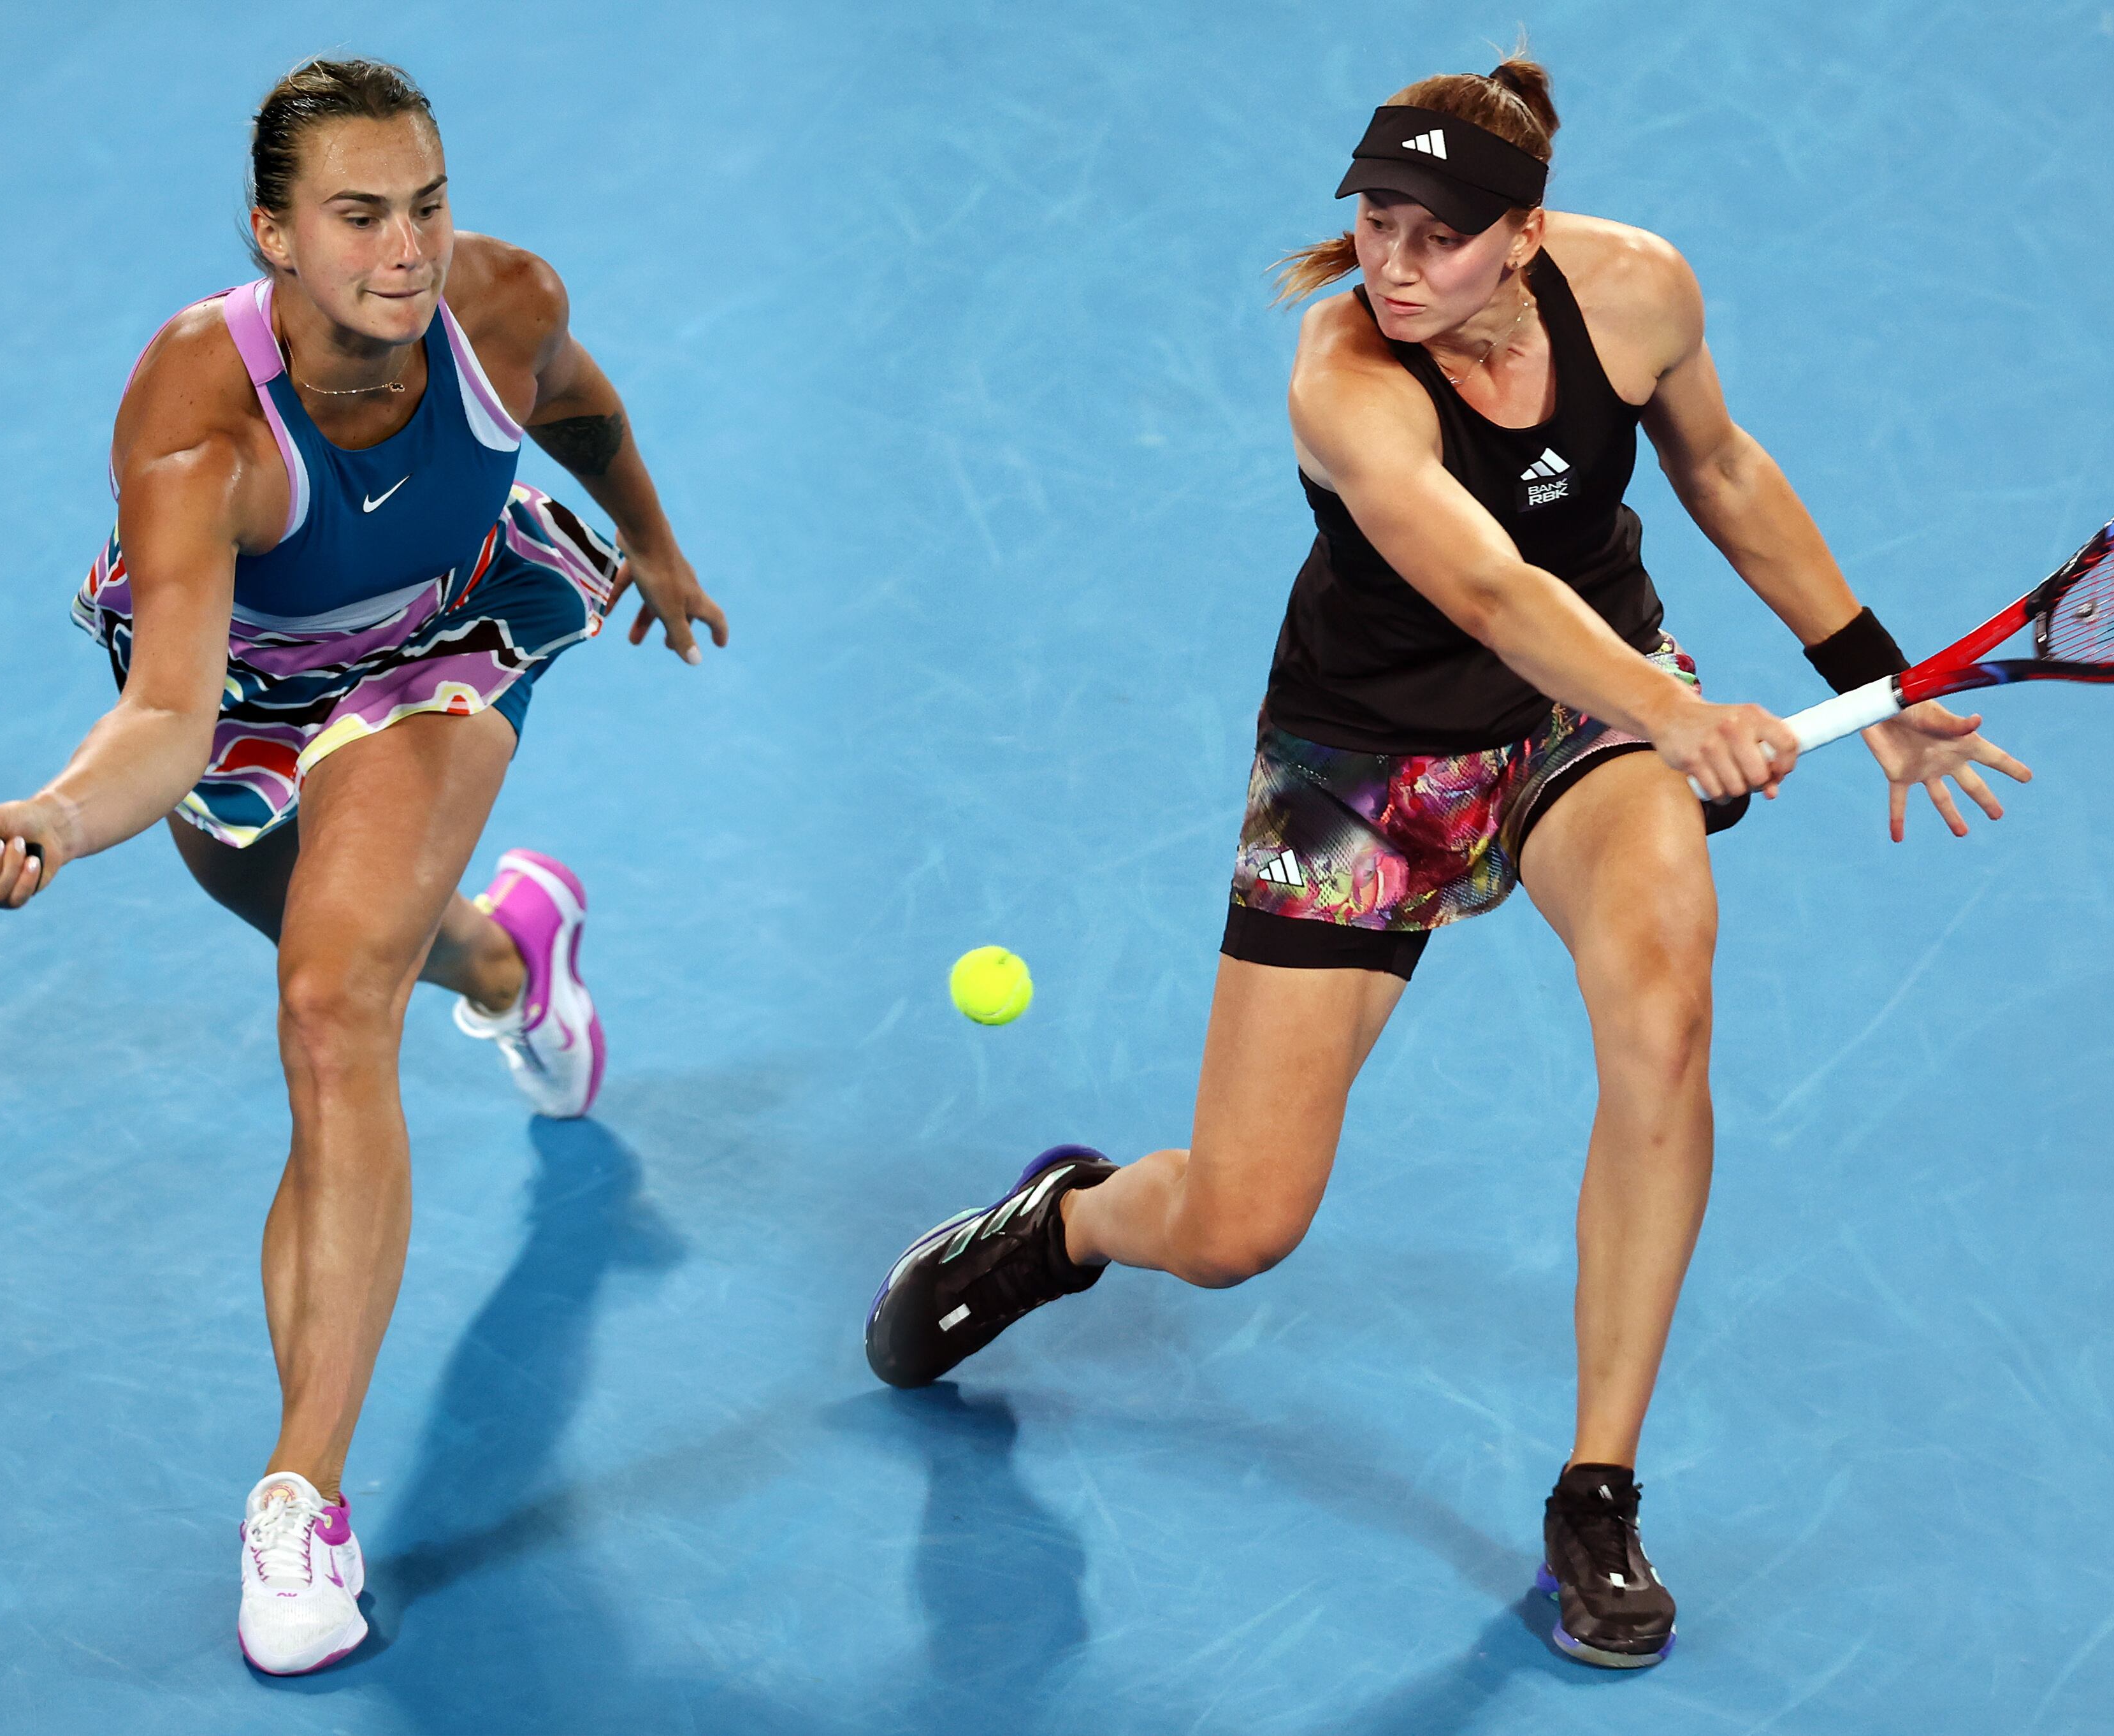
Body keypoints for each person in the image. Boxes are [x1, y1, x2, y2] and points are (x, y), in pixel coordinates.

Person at [862, 53, 2027, 1670]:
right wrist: (1680, 715)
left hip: (1582, 724)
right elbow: (1488, 594)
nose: (1394, 268)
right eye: (1376, 225)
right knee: (1239, 1225)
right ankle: (1059, 1225)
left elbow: (1724, 471)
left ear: (1528, 233)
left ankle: (1597, 1491)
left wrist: (1874, 683)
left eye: (1437, 236)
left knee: (1665, 1013)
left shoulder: (1639, 291)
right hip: (1368, 767)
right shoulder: (1343, 378)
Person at [0, 57, 726, 1674]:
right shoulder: (195, 415)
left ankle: (302, 1497)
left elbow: (589, 413)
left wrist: (656, 540)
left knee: (331, 1006)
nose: (406, 249)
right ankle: (508, 957)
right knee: (333, 930)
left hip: (447, 633)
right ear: (276, 235)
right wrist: (63, 819)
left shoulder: (503, 305)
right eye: (359, 217)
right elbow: (163, 718)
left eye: (425, 203)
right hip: (249, 684)